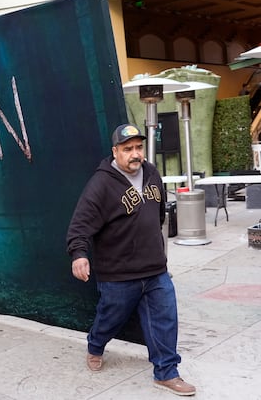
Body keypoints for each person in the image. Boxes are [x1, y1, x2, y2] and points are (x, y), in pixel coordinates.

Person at [66, 124, 195, 397]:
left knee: (165, 320)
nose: (135, 154)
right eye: (128, 149)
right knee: (110, 319)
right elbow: (80, 226)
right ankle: (96, 344)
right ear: (115, 152)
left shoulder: (152, 173)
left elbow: (158, 215)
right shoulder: (100, 184)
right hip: (118, 274)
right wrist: (79, 255)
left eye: (138, 147)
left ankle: (167, 372)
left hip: (155, 270)